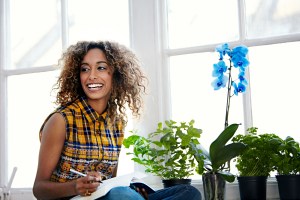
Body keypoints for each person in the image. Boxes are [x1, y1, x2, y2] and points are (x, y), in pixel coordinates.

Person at [33, 40, 201, 200]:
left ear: (116, 74)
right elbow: (39, 189)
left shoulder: (117, 123)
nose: (91, 76)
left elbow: (108, 184)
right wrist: (75, 186)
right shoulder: (61, 120)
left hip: (106, 197)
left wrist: (133, 190)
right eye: (85, 69)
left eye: (101, 68)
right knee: (121, 195)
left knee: (188, 192)